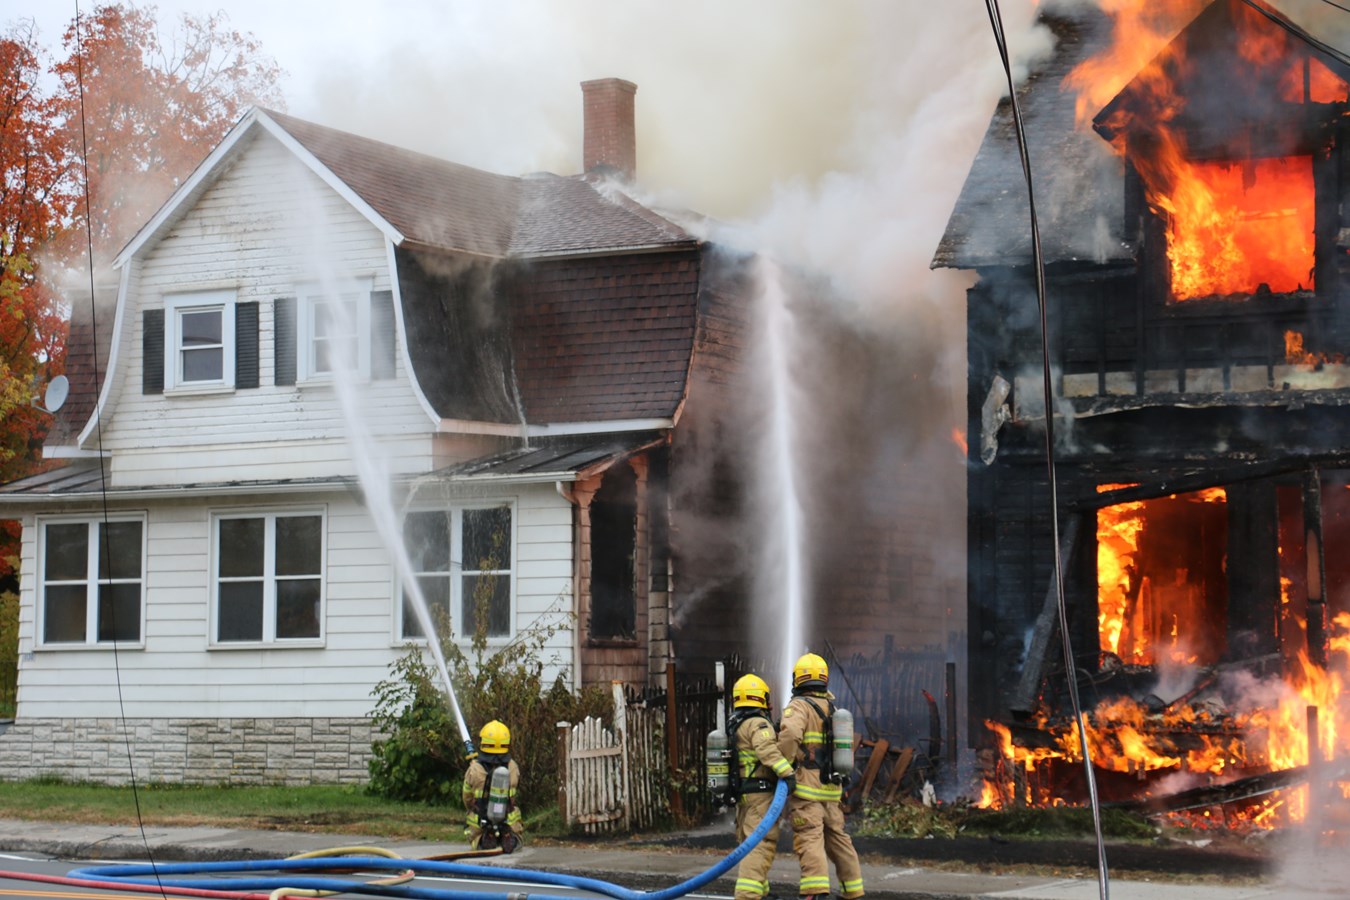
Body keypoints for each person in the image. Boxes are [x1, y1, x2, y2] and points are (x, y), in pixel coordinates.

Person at [777, 653, 864, 900]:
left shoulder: (800, 706)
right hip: (831, 789)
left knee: (809, 838)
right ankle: (853, 892)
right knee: (839, 840)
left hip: (807, 789)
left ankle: (814, 893)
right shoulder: (831, 708)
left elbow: (790, 736)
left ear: (797, 679)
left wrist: (783, 764)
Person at [728, 673, 796, 900]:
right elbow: (766, 751)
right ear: (761, 698)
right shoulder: (758, 724)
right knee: (760, 844)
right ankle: (748, 895)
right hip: (759, 795)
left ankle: (761, 891)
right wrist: (787, 773)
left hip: (745, 795)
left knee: (750, 842)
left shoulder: (737, 723)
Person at [462, 719, 523, 851]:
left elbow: (467, 797)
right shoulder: (513, 766)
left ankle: (482, 839)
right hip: (508, 818)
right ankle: (510, 836)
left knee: (472, 821)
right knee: (514, 819)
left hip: (481, 820)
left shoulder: (475, 769)